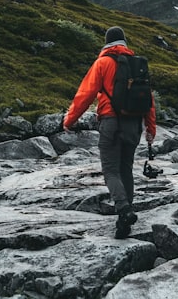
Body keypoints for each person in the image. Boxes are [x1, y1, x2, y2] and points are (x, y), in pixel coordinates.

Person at [63, 26, 157, 238]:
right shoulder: (137, 64)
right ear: (124, 42)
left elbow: (85, 94)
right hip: (134, 124)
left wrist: (70, 120)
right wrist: (151, 128)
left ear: (106, 42)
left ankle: (123, 210)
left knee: (111, 171)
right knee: (126, 170)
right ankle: (125, 222)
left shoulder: (102, 63)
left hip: (111, 123)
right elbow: (149, 101)